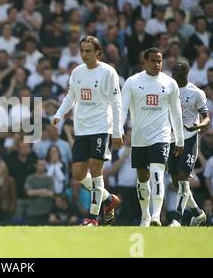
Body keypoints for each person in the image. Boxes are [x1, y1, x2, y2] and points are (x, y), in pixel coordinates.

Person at [52, 36, 123, 226]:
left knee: (95, 170)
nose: (84, 54)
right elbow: (71, 96)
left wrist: (117, 131)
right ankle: (109, 199)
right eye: (82, 50)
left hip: (101, 127)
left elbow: (117, 103)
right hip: (81, 128)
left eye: (88, 51)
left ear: (97, 52)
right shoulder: (77, 72)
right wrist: (59, 114)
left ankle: (92, 218)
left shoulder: (108, 72)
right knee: (78, 174)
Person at [121, 47, 184, 227]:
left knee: (158, 174)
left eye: (160, 60)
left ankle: (156, 215)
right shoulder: (133, 82)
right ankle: (145, 216)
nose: (157, 64)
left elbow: (176, 113)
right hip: (139, 138)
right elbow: (123, 108)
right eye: (153, 60)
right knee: (142, 178)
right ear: (145, 62)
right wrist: (118, 130)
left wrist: (179, 139)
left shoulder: (169, 83)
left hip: (161, 137)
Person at [168, 60, 210, 227]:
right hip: (172, 139)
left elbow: (206, 117)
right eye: (172, 71)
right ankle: (198, 213)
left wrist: (199, 125)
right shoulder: (168, 90)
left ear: (185, 73)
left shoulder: (196, 93)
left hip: (189, 138)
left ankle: (177, 219)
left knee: (184, 178)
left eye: (177, 71)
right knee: (176, 182)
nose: (173, 74)